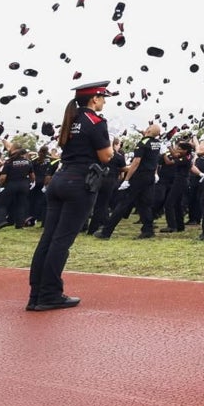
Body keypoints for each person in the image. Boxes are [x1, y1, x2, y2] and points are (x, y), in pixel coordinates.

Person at [27, 81, 117, 311]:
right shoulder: (96, 121)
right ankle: (49, 294)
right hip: (79, 183)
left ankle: (36, 294)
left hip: (61, 179)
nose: (105, 101)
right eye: (103, 97)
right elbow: (106, 156)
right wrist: (115, 149)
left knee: (48, 239)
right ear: (94, 99)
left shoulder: (72, 120)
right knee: (61, 241)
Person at [94, 124, 162, 239]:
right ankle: (148, 230)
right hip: (150, 177)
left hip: (139, 177)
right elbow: (154, 159)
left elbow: (136, 162)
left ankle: (106, 232)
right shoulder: (157, 144)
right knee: (144, 205)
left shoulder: (142, 144)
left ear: (149, 130)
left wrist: (126, 179)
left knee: (123, 203)